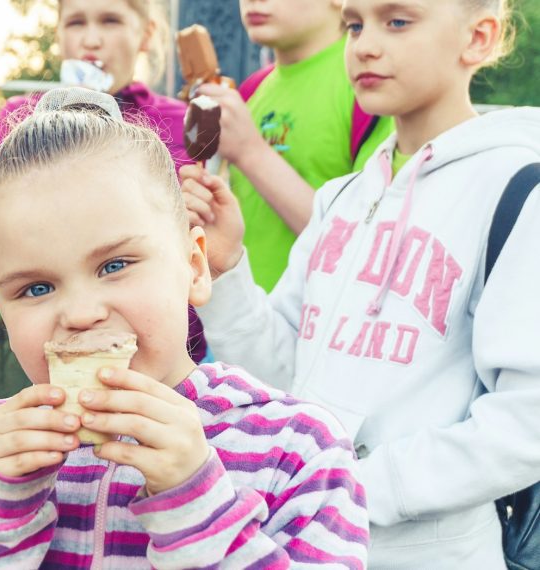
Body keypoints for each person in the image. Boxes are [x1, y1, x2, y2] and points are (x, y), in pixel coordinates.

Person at [0, 87, 369, 569]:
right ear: (0, 309)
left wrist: (196, 504)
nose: (81, 314)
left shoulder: (294, 448)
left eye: (115, 265)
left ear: (194, 266)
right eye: (36, 289)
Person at [183, 0, 540, 566]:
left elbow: (527, 423)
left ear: (478, 38)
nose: (365, 45)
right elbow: (283, 374)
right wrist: (226, 270)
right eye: (354, 24)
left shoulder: (519, 190)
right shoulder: (341, 199)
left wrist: (358, 485)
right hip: (304, 543)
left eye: (397, 21)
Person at [0, 0, 210, 362]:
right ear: (59, 34)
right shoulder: (22, 123)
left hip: (176, 351)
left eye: (110, 21)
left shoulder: (182, 120)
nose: (91, 40)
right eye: (76, 23)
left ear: (145, 33)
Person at [184, 0, 393, 292]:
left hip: (319, 323)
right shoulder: (250, 90)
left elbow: (365, 246)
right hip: (243, 320)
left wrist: (250, 152)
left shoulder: (372, 84)